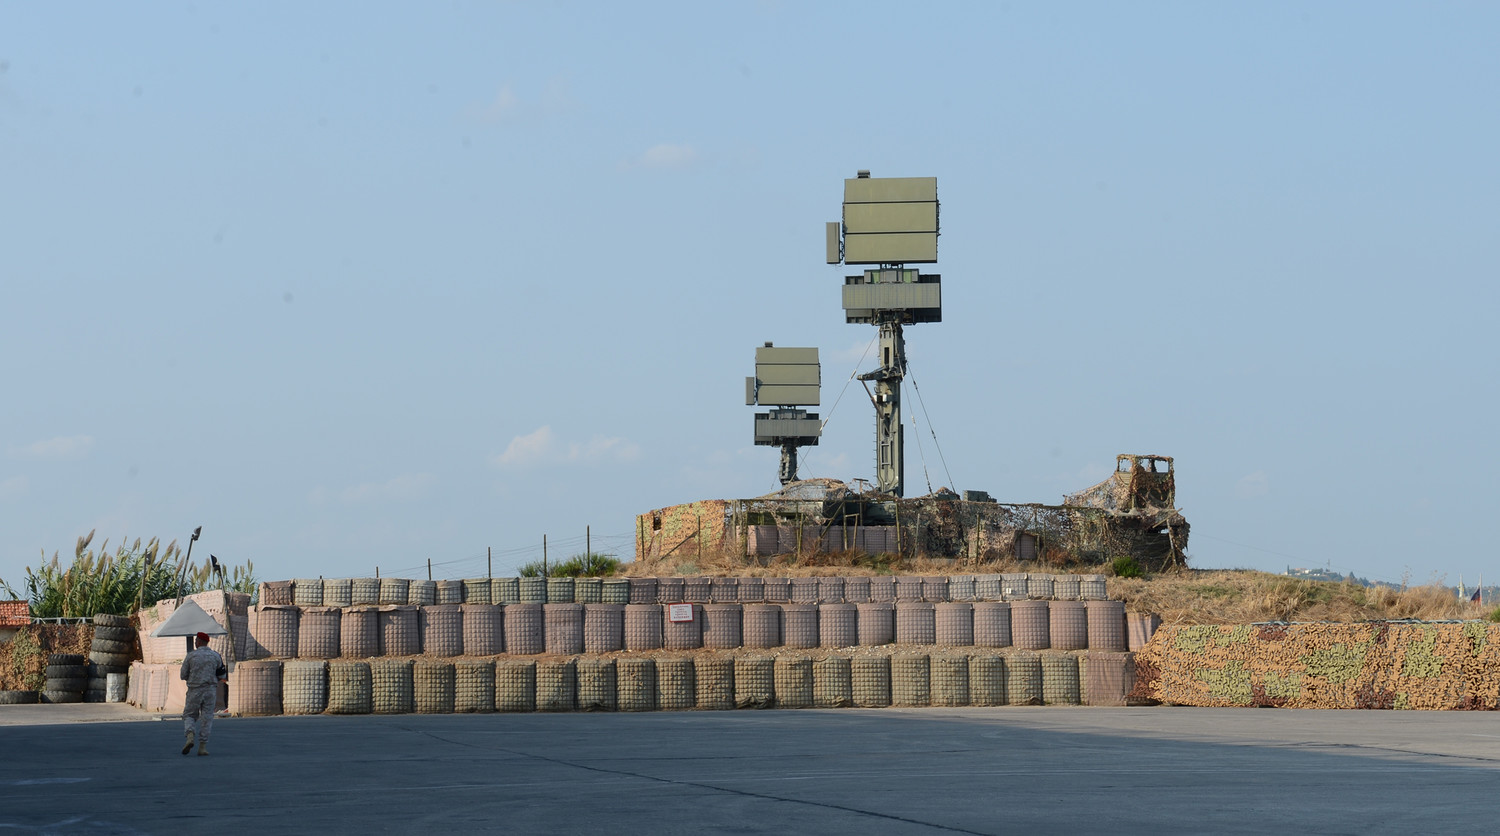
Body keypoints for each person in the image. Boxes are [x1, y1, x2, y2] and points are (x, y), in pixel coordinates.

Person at [179, 631, 227, 756]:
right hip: (210, 690)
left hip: (194, 690)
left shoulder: (191, 656)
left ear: (199, 642)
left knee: (189, 715)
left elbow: (183, 675)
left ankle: (190, 735)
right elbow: (222, 675)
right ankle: (202, 747)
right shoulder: (216, 656)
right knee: (207, 717)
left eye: (196, 641)